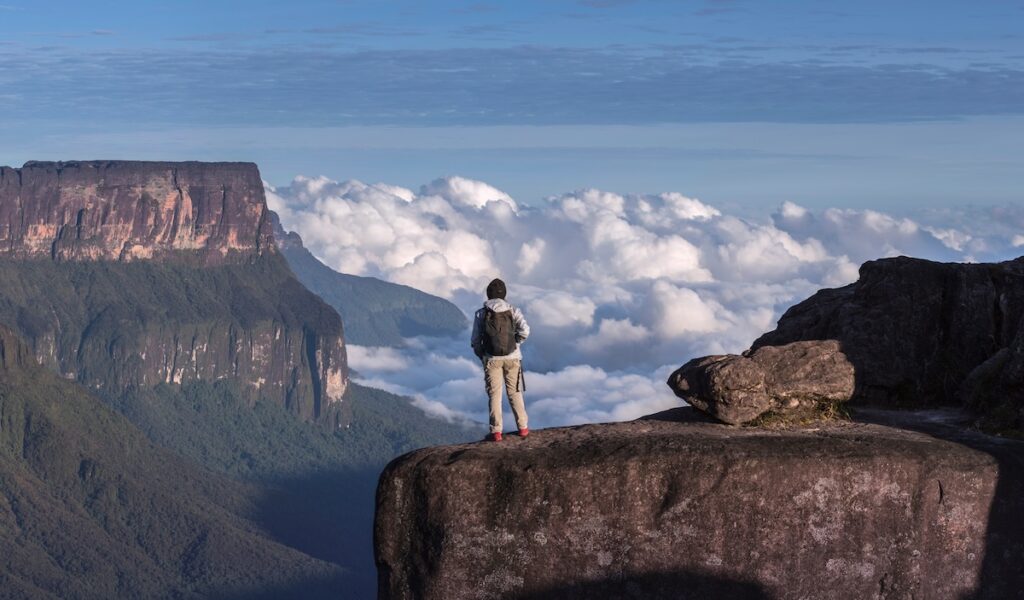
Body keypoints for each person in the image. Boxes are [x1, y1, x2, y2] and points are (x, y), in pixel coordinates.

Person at [471, 278, 530, 442]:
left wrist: (482, 355)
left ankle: (496, 432)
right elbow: (525, 330)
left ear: (488, 294)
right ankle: (523, 428)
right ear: (504, 294)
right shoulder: (513, 310)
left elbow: (475, 340)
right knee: (515, 393)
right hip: (513, 358)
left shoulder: (481, 313)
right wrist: (516, 342)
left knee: (495, 395)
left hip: (491, 359)